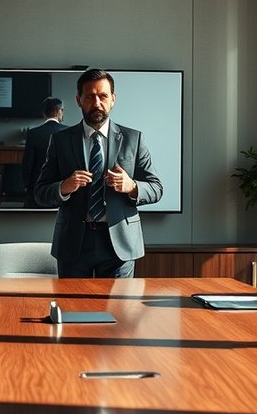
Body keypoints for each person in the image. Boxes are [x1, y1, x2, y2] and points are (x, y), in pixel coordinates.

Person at [33, 69, 163, 277]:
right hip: (73, 242)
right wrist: (63, 187)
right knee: (72, 308)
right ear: (79, 100)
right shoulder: (60, 141)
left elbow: (156, 188)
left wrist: (132, 186)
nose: (96, 103)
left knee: (118, 309)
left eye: (102, 96)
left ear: (113, 99)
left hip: (120, 244)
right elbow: (40, 192)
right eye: (90, 97)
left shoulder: (133, 139)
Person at [23, 96, 67, 208]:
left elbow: (28, 163)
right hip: (63, 188)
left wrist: (27, 187)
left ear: (44, 113)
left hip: (37, 190)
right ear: (59, 111)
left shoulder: (33, 133)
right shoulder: (69, 132)